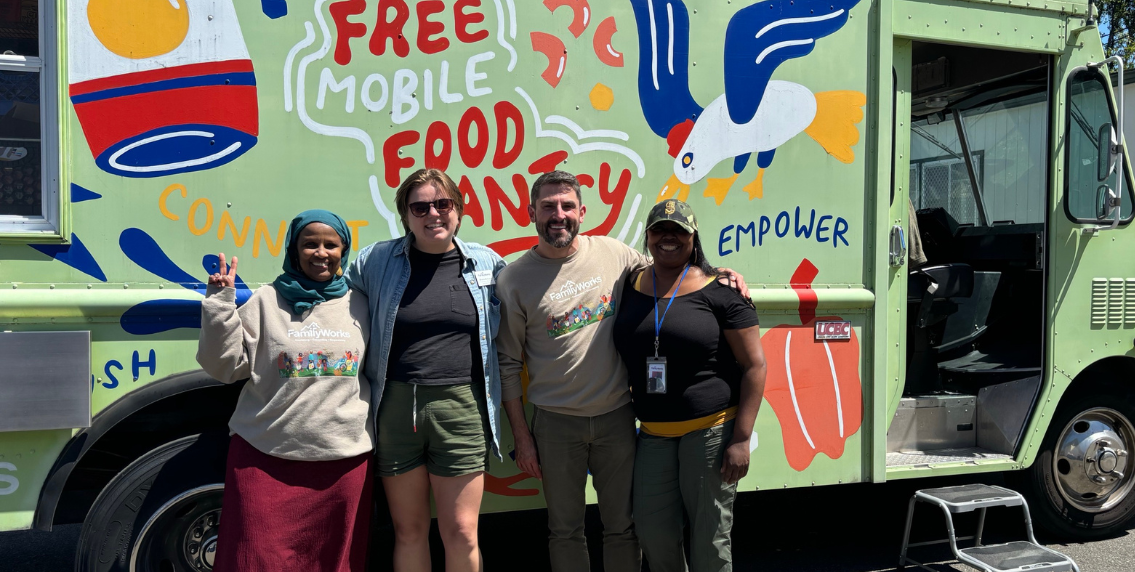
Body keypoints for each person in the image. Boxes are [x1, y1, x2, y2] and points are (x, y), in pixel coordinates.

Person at [495, 171, 749, 572]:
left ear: (582, 212)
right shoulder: (512, 280)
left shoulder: (616, 255)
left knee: (624, 527)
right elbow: (507, 364)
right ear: (531, 213)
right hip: (556, 423)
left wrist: (722, 274)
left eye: (566, 206)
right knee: (564, 530)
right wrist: (523, 438)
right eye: (547, 206)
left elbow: (675, 267)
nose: (557, 215)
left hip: (618, 416)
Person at [346, 168, 505, 572]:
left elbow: (526, 315)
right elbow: (333, 299)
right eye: (420, 206)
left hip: (462, 407)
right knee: (410, 530)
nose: (432, 213)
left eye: (442, 204)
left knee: (463, 532)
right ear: (405, 215)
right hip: (397, 407)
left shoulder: (488, 264)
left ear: (458, 209)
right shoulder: (375, 261)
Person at [197, 210, 373, 572]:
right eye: (310, 244)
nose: (320, 252)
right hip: (265, 458)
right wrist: (218, 304)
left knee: (333, 561)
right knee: (254, 559)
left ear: (344, 250)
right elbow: (224, 367)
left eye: (330, 244)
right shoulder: (265, 301)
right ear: (295, 250)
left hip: (343, 462)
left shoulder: (361, 304)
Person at [613, 199, 767, 572]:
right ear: (647, 237)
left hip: (710, 432)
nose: (669, 237)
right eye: (660, 229)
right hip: (652, 433)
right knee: (653, 531)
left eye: (679, 230)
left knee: (710, 539)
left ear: (693, 238)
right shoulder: (630, 284)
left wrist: (741, 438)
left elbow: (754, 365)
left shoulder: (722, 291)